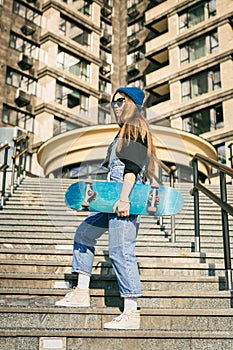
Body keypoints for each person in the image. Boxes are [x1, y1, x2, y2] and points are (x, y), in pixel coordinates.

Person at [55, 87, 157, 330]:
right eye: (113, 103)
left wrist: (124, 199)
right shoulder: (120, 132)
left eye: (120, 102)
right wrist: (94, 200)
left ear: (132, 103)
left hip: (124, 195)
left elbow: (131, 168)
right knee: (84, 233)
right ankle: (81, 292)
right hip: (111, 196)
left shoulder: (135, 128)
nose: (116, 106)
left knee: (121, 251)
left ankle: (131, 313)